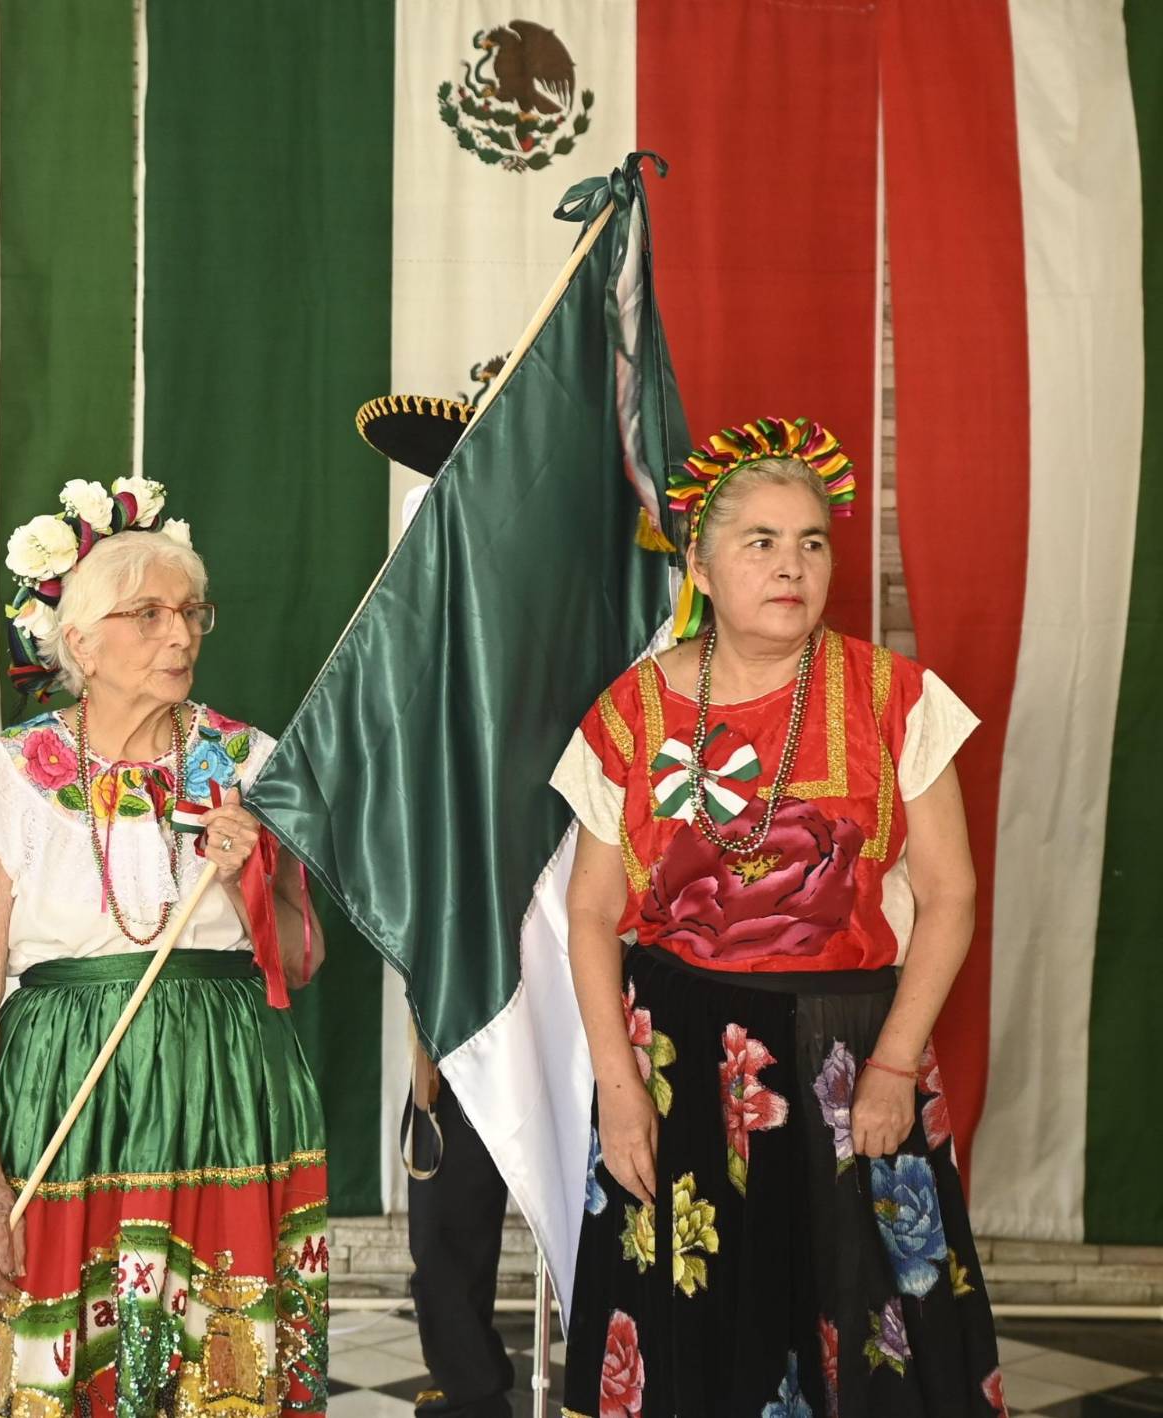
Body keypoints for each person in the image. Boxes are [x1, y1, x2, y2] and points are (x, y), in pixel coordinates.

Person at [550, 418, 1004, 1416]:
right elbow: (587, 914)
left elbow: (950, 895)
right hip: (674, 1051)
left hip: (849, 1051)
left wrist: (890, 1066)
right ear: (701, 569)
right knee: (693, 1338)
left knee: (866, 1330)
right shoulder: (629, 711)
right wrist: (619, 1090)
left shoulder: (896, 697)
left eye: (809, 540)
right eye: (758, 541)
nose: (789, 564)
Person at [0, 477, 330, 1414]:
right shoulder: (7, 776)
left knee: (218, 1353)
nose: (179, 634)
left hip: (227, 1086)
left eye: (191, 612)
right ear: (78, 641)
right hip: (65, 1085)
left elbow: (305, 960)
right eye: (146, 614)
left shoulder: (245, 763)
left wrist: (247, 875)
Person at [357, 385, 519, 1418]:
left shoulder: (604, 597)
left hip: (584, 924)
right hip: (461, 934)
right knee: (449, 1164)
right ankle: (465, 1378)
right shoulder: (420, 635)